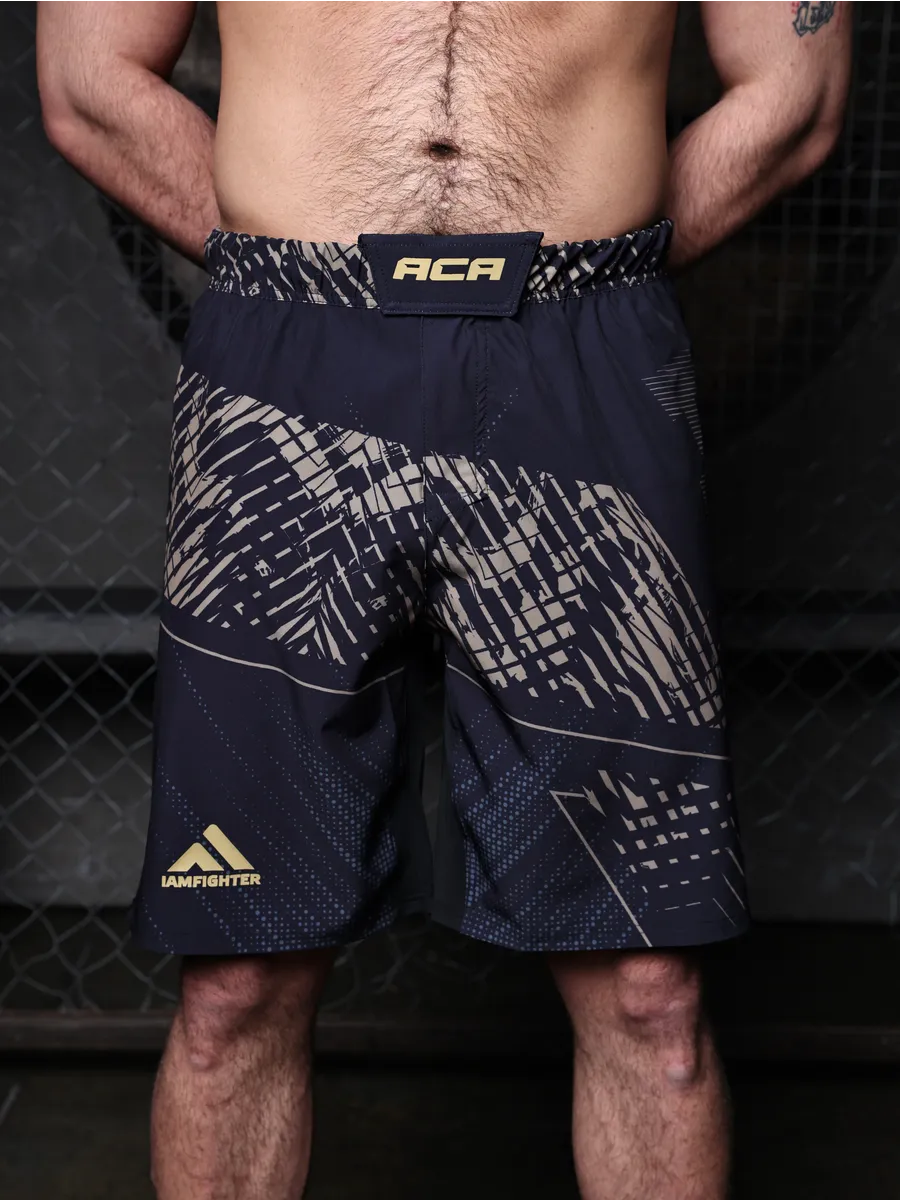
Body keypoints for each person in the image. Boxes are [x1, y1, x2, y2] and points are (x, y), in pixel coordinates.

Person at [36, 1, 851, 1196]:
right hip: (291, 355)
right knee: (235, 981)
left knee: (649, 991)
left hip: (583, 353)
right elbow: (89, 83)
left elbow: (796, 100)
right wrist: (299, 262)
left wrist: (586, 262)